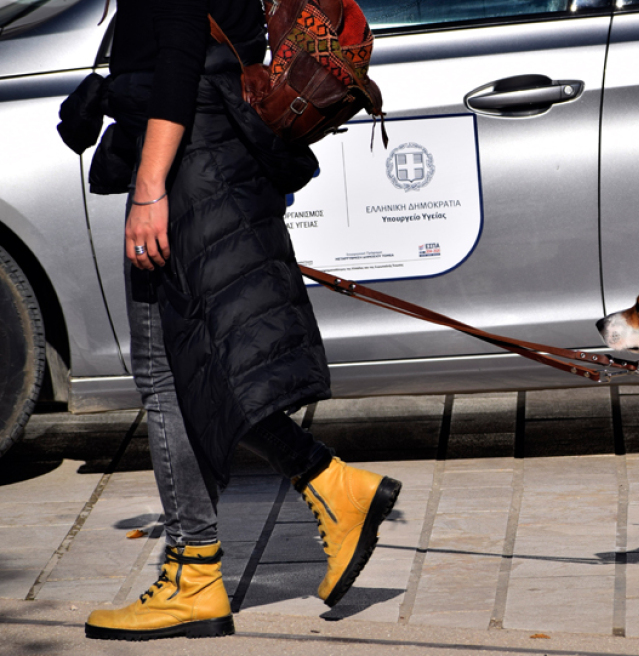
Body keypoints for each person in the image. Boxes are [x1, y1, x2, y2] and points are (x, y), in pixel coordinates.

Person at [61, 0, 401, 641]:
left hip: (191, 171)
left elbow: (182, 58)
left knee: (165, 376)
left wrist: (150, 188)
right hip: (208, 163)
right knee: (200, 368)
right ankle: (332, 486)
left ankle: (195, 576)